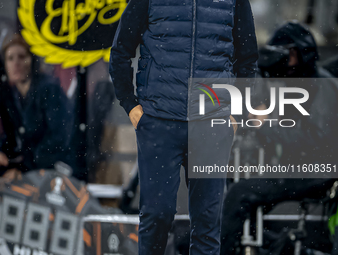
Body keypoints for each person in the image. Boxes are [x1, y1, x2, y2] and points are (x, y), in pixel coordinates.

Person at [109, 0, 258, 254]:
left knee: (207, 225)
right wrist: (131, 106)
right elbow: (121, 50)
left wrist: (235, 115)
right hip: (159, 121)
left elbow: (248, 58)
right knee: (156, 216)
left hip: (212, 124)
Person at [220, 22, 338, 255]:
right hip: (302, 168)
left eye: (286, 54)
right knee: (240, 192)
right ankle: (262, 246)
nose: (281, 61)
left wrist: (266, 125)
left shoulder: (321, 86)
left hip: (316, 173)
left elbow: (314, 139)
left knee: (240, 195)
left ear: (299, 53)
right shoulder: (298, 83)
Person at [0, 34, 74, 177]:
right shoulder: (9, 96)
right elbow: (10, 136)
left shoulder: (49, 89)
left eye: (22, 57)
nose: (16, 63)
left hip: (56, 168)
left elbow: (59, 139)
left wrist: (23, 169)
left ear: (33, 60)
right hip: (30, 165)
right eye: (10, 58)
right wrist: (1, 152)